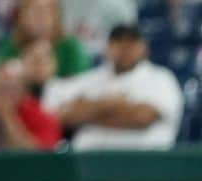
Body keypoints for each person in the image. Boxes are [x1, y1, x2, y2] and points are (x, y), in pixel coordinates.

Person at [45, 25, 183, 151]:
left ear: (143, 48)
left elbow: (142, 118)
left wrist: (89, 111)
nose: (124, 49)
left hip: (144, 163)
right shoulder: (92, 77)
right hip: (89, 164)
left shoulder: (161, 78)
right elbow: (62, 115)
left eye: (131, 43)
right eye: (118, 42)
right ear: (108, 48)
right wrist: (109, 103)